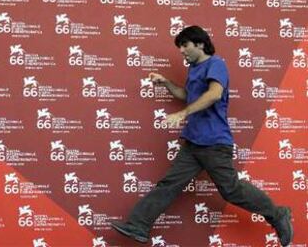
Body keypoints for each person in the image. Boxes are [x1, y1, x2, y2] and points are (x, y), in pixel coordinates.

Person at [111, 26, 293, 246]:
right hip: (193, 143)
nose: (182, 51)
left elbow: (215, 94)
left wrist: (182, 113)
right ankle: (137, 225)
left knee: (231, 190)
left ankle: (277, 214)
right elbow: (187, 95)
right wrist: (166, 83)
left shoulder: (216, 64)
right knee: (169, 184)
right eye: (180, 47)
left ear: (199, 43)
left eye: (185, 45)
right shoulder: (194, 70)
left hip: (214, 143)